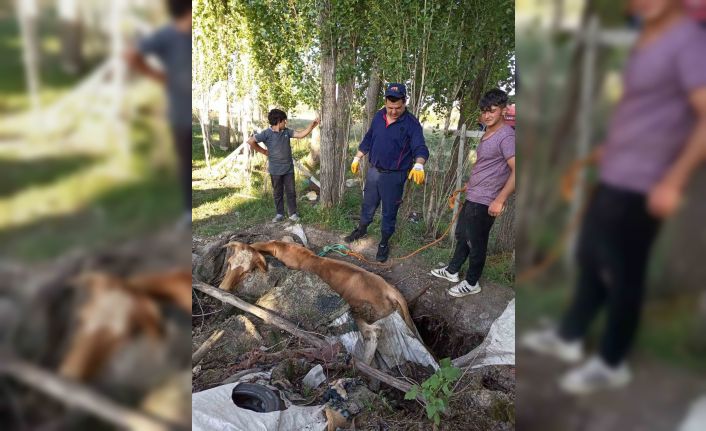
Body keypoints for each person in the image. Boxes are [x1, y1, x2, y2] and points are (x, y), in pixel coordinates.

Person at [522, 0, 706, 395]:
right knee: (590, 255)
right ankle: (570, 336)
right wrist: (612, 147)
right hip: (616, 172)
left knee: (625, 272)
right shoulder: (647, 37)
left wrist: (673, 181)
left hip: (647, 181)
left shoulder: (689, 42)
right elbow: (645, 108)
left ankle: (612, 361)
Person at [430, 89, 516, 298]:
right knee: (463, 235)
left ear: (503, 110)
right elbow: (489, 165)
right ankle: (452, 271)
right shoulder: (489, 132)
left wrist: (499, 199)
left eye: (492, 111)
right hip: (475, 194)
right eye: (484, 111)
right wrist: (472, 183)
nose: (487, 115)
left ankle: (471, 282)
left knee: (476, 242)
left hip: (487, 200)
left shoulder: (506, 136)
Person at [344, 83, 429, 262]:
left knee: (389, 212)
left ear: (404, 102)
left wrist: (419, 164)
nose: (393, 111)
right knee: (368, 205)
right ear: (385, 102)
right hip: (374, 172)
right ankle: (361, 229)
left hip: (394, 176)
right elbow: (369, 138)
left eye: (397, 107)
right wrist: (357, 157)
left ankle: (383, 242)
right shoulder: (378, 116)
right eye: (390, 107)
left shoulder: (411, 124)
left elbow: (420, 148)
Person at [125, 0, 192, 225]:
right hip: (179, 113)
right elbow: (132, 55)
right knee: (184, 162)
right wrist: (159, 77)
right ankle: (187, 212)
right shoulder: (166, 35)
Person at [247, 109, 319, 223]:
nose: (286, 122)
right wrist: (264, 151)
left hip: (288, 169)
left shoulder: (286, 132)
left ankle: (293, 214)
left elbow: (300, 135)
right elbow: (250, 141)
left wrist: (312, 126)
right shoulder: (266, 133)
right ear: (278, 121)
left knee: (291, 192)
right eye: (284, 120)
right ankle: (279, 214)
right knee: (277, 193)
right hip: (275, 171)